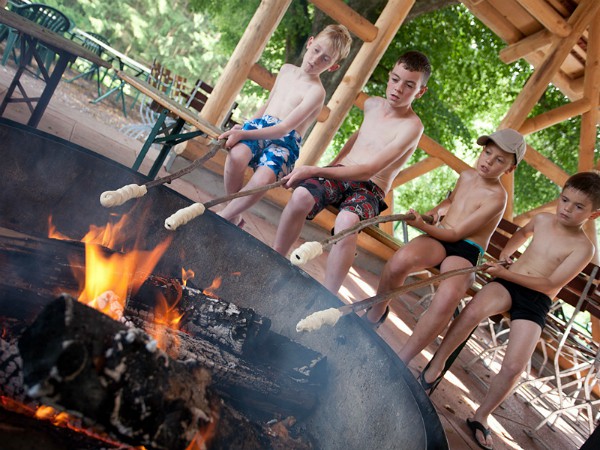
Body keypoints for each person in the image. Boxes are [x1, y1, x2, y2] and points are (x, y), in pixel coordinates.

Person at [419, 171, 600, 450]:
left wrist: (506, 272)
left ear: (593, 215)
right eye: (565, 200)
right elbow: (522, 233)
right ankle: (435, 368)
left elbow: (550, 283)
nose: (567, 209)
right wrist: (507, 255)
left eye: (579, 207)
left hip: (536, 299)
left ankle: (482, 415)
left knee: (515, 365)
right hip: (507, 283)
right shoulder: (541, 220)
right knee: (470, 313)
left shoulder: (583, 248)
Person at [273, 51, 432, 294]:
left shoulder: (413, 127)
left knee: (347, 221)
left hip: (370, 187)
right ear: (390, 76)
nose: (398, 88)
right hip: (341, 173)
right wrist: (328, 168)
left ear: (420, 92)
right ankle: (274, 258)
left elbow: (369, 170)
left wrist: (314, 169)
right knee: (301, 196)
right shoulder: (372, 104)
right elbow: (358, 136)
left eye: (409, 85)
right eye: (396, 79)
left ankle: (327, 296)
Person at [369, 128, 526, 363]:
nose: (488, 161)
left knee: (449, 294)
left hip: (465, 247)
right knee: (400, 260)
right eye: (487, 153)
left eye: (499, 160)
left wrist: (423, 225)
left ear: (510, 168)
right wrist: (433, 214)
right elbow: (450, 202)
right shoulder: (466, 176)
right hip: (441, 235)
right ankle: (375, 313)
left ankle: (401, 359)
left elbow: (456, 234)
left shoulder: (497, 197)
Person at [217, 25, 353, 226]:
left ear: (333, 66)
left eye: (325, 59)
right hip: (261, 127)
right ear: (310, 43)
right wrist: (245, 127)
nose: (316, 59)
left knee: (263, 178)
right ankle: (233, 215)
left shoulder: (316, 92)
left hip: (285, 142)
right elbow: (268, 104)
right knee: (236, 156)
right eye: (316, 50)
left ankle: (224, 216)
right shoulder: (286, 70)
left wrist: (245, 135)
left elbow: (284, 128)